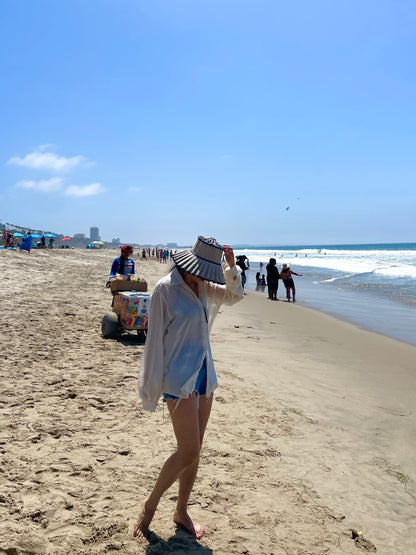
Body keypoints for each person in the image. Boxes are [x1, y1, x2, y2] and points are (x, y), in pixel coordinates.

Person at [135, 236, 244, 541]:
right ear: (189, 263)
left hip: (204, 375)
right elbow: (154, 341)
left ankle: (181, 510)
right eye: (203, 270)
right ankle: (150, 504)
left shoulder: (204, 287)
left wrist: (232, 268)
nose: (205, 277)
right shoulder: (164, 289)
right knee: (188, 451)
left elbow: (234, 296)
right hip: (178, 380)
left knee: (195, 453)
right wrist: (151, 386)